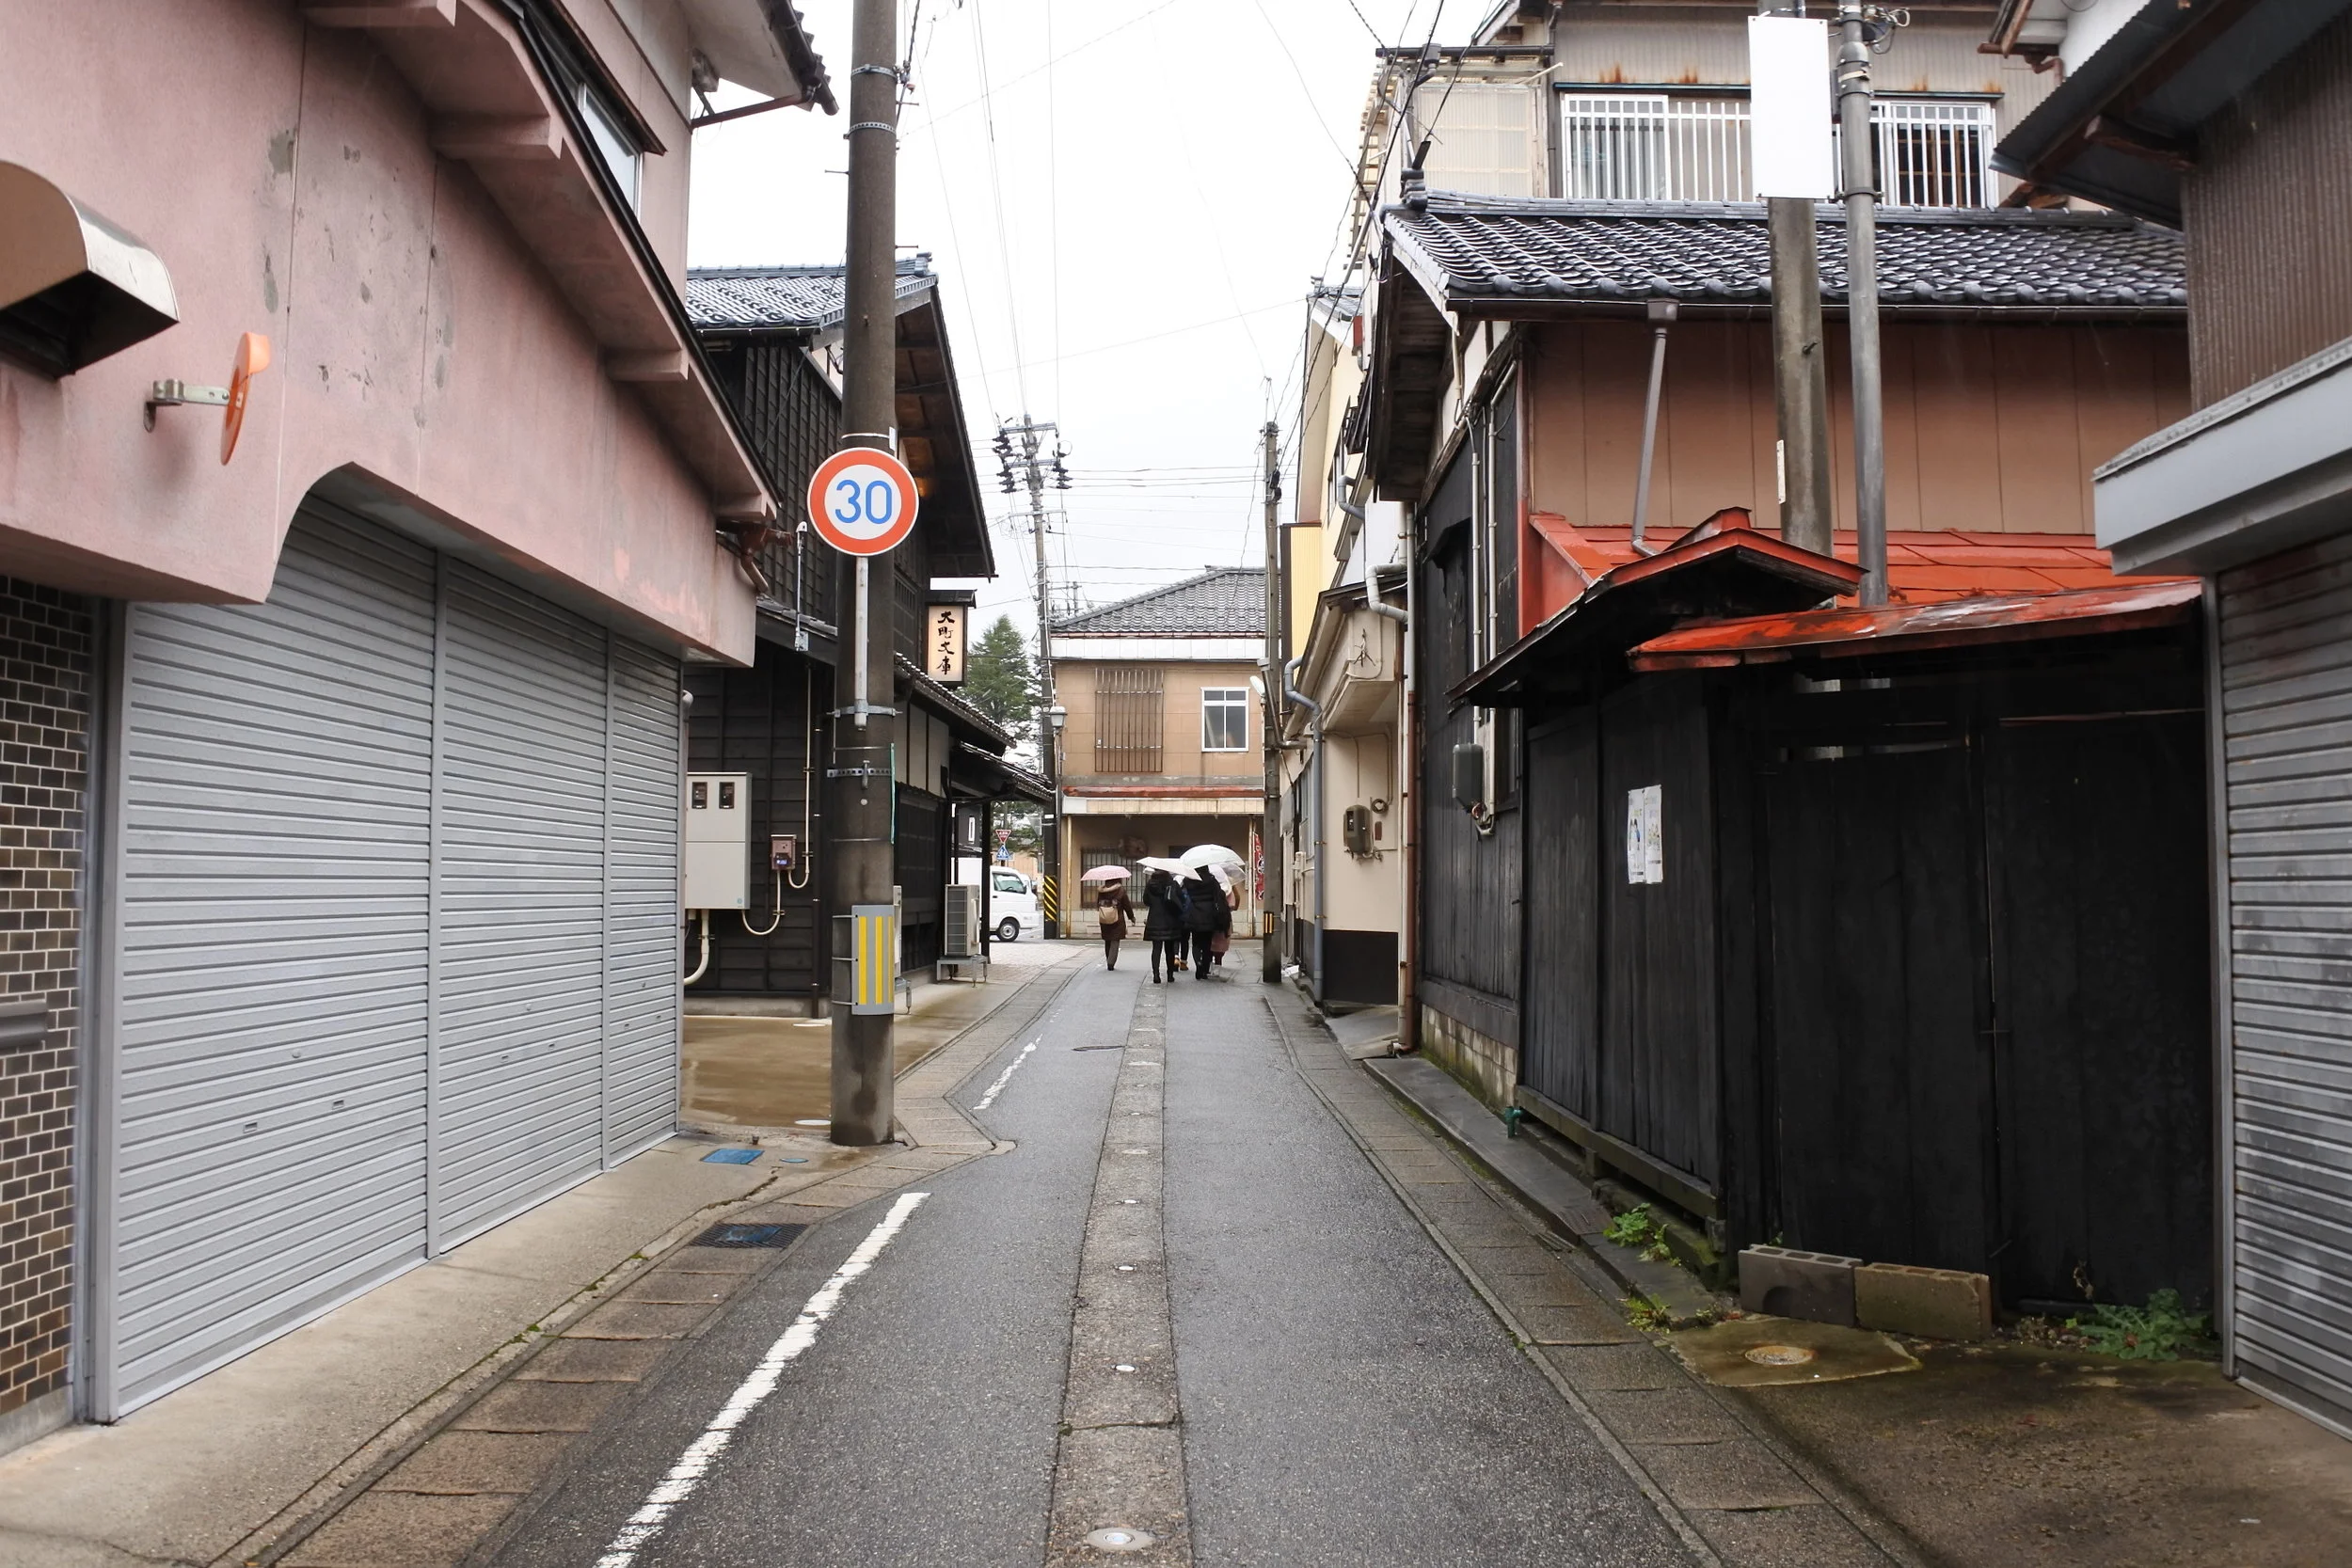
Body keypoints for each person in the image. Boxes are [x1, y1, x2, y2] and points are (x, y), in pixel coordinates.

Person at [1182, 869, 1229, 980]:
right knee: (1207, 944)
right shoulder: (1212, 881)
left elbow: (1185, 891)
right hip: (1209, 915)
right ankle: (1205, 968)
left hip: (1194, 914)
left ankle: (1198, 963)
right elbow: (1218, 895)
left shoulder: (1189, 880)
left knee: (1196, 943)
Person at [1141, 869, 1185, 984]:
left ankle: (1156, 974)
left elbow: (1146, 900)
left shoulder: (1150, 884)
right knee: (1170, 949)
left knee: (1156, 949)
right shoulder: (1172, 884)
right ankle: (1170, 975)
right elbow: (1181, 899)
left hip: (1155, 918)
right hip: (1170, 919)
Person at [1093, 878, 1135, 970]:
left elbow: (1098, 904)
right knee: (1115, 940)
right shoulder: (1120, 891)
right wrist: (1131, 917)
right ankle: (1111, 963)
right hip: (1117, 919)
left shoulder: (1101, 891)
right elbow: (1127, 905)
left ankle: (1109, 959)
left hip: (1104, 918)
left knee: (1107, 940)